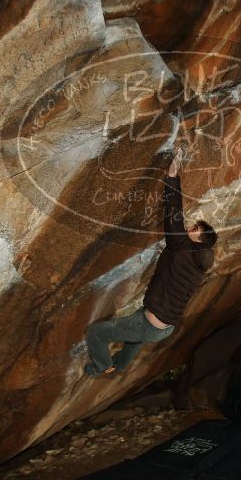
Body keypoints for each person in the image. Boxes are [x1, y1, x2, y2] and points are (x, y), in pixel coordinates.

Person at [84, 147, 217, 377]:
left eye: (194, 230)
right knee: (135, 339)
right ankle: (122, 365)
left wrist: (173, 176)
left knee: (95, 333)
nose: (188, 229)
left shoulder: (182, 249)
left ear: (199, 242)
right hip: (164, 328)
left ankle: (102, 366)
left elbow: (173, 213)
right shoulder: (199, 265)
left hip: (150, 324)